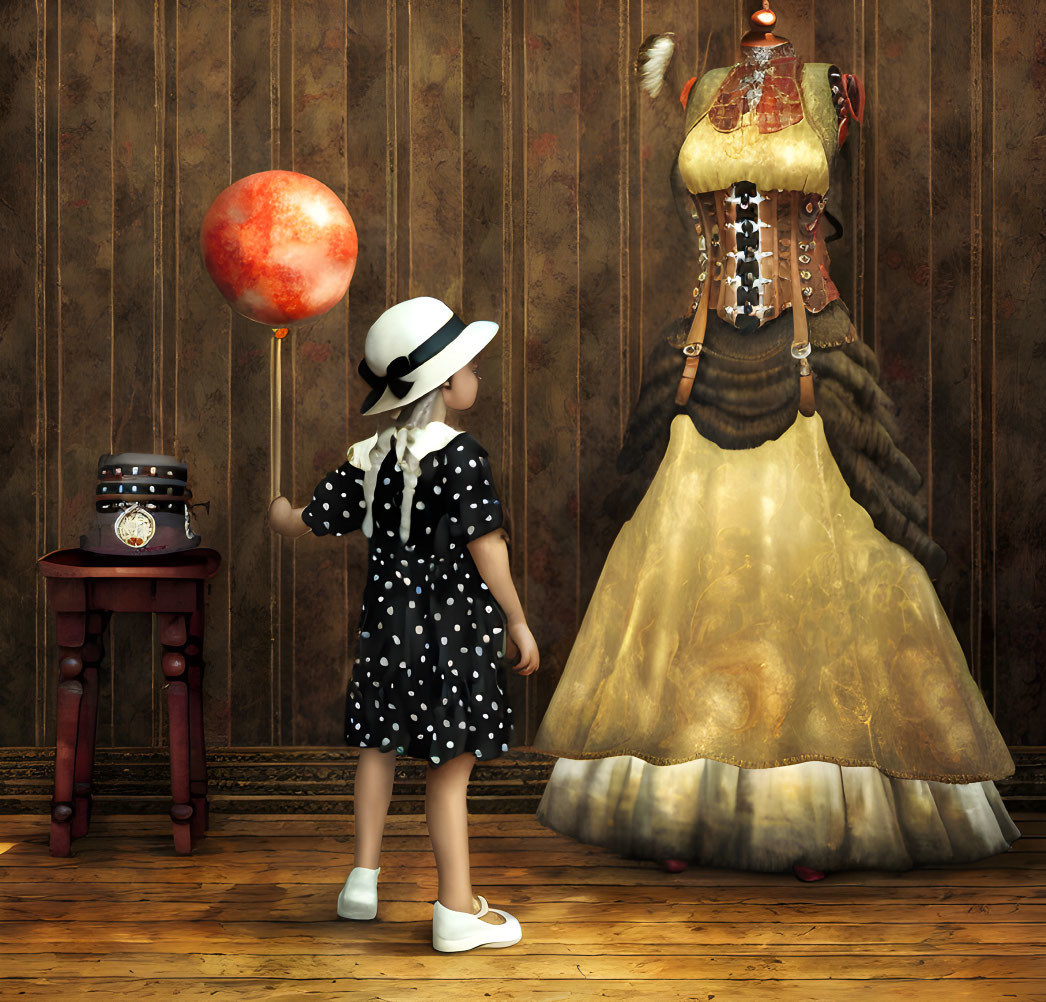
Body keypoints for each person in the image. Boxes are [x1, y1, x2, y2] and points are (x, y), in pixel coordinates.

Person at [533, 4, 1018, 878]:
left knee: (828, 571)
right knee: (685, 577)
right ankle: (677, 809)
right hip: (702, 350)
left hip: (808, 345)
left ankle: (813, 815)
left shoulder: (832, 90)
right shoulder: (700, 90)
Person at [268, 295, 539, 950]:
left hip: (389, 623)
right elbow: (487, 545)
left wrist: (276, 507)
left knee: (379, 747)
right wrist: (518, 619)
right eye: (470, 366)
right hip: (454, 627)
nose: (476, 376)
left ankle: (362, 880)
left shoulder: (369, 456)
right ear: (446, 382)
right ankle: (454, 910)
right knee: (448, 769)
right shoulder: (462, 455)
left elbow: (306, 521)